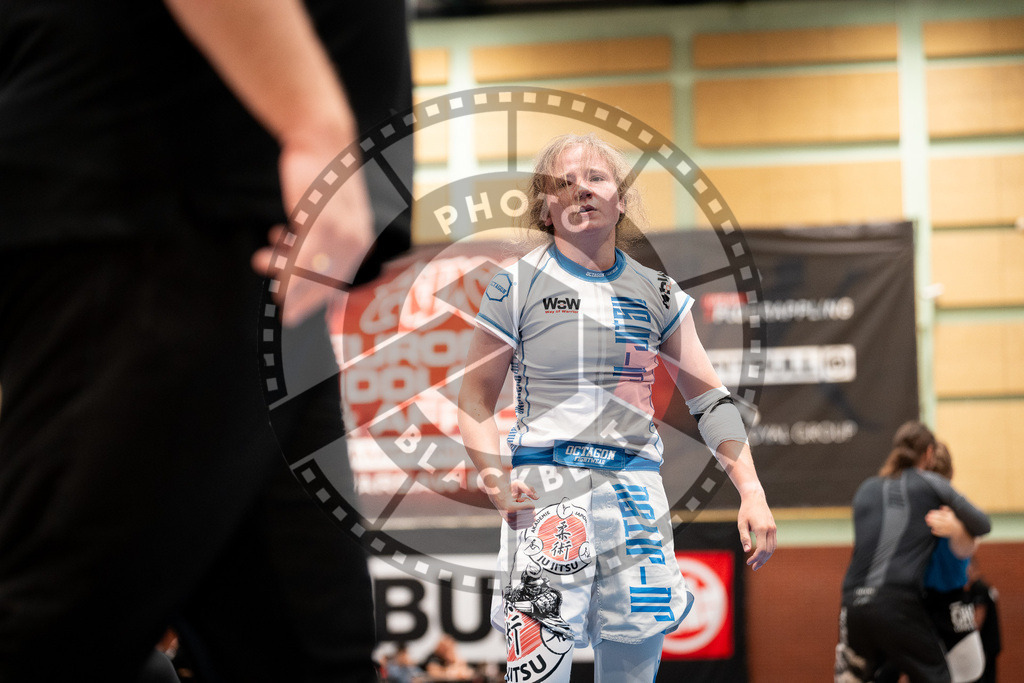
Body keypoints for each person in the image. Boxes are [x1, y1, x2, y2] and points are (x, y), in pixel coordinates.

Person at [0, 0, 411, 681]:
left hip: (252, 230)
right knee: (55, 626)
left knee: (308, 653)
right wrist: (312, 123)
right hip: (159, 198)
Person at [458, 133, 776, 683]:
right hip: (547, 494)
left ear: (621, 199)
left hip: (636, 501)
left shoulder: (660, 293)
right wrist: (494, 478)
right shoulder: (514, 284)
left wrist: (752, 490)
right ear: (545, 206)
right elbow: (473, 399)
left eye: (596, 178)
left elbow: (709, 399)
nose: (581, 189)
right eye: (564, 182)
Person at [835, 422, 991, 683]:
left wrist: (956, 529)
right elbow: (978, 532)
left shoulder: (874, 491)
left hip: (865, 603)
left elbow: (969, 545)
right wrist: (958, 528)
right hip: (904, 605)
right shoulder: (926, 492)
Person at [874, 441, 987, 683]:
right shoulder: (902, 512)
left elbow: (970, 544)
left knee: (966, 670)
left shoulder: (952, 513)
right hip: (915, 605)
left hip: (948, 606)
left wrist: (957, 530)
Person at [967, 561, 1001, 683]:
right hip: (992, 644)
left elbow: (978, 621)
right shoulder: (986, 587)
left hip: (984, 645)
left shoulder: (978, 588)